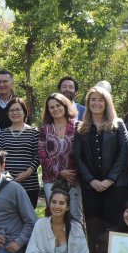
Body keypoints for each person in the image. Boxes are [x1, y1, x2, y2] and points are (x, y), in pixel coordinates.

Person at [74, 86, 128, 252]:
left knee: (116, 227)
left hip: (116, 186)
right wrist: (91, 180)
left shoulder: (118, 124)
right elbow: (78, 157)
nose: (96, 103)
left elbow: (123, 152)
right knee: (94, 229)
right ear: (88, 102)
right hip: (90, 188)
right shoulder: (81, 127)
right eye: (93, 99)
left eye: (100, 99)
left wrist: (110, 179)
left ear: (107, 103)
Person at [24, 189, 95, 253]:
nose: (57, 206)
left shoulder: (76, 226)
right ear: (49, 204)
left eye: (62, 203)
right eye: (54, 202)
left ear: (67, 207)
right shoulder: (40, 224)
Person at [37, 93, 83, 221]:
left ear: (65, 106)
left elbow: (84, 153)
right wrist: (59, 171)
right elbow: (42, 154)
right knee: (55, 215)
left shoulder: (78, 126)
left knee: (75, 215)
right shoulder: (45, 129)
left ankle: (76, 241)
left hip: (74, 179)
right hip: (51, 179)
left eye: (58, 105)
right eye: (51, 107)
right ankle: (56, 241)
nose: (55, 109)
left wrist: (73, 173)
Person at [0, 98, 40, 208]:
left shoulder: (34, 132)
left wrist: (27, 173)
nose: (15, 113)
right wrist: (6, 177)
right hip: (7, 184)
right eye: (11, 110)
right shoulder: (3, 134)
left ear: (24, 112)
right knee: (10, 217)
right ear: (8, 113)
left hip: (30, 184)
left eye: (18, 110)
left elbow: (39, 156)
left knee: (29, 218)